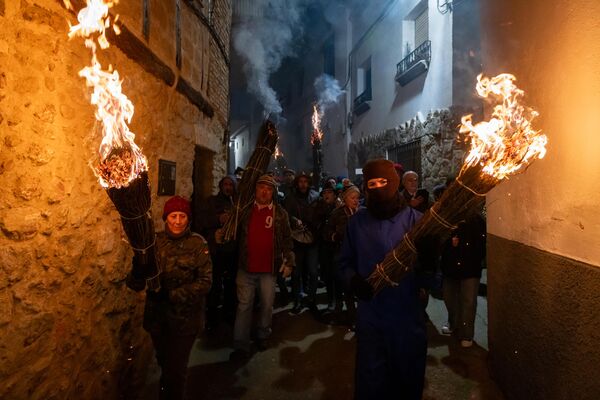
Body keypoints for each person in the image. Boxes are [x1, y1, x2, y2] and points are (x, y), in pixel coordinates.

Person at [340, 159, 428, 400]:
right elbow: (344, 264)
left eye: (383, 181)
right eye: (372, 183)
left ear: (395, 182)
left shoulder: (416, 221)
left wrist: (429, 264)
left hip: (406, 315)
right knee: (372, 380)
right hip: (372, 317)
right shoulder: (357, 223)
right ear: (366, 188)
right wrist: (355, 281)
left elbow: (429, 273)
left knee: (406, 378)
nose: (378, 187)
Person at [126, 196, 212, 400]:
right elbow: (134, 284)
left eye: (182, 216)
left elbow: (205, 282)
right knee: (165, 363)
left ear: (188, 219)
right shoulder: (153, 243)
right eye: (173, 216)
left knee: (176, 370)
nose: (178, 221)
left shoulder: (198, 244)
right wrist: (138, 271)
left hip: (186, 322)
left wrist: (173, 294)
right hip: (158, 319)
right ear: (166, 218)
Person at [224, 175, 295, 360]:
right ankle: (240, 345)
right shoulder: (245, 211)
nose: (264, 192)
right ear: (255, 190)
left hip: (268, 270)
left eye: (269, 189)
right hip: (246, 267)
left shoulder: (280, 214)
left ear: (273, 192)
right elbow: (231, 233)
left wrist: (289, 261)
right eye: (261, 187)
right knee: (244, 306)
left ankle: (263, 334)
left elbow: (287, 240)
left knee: (266, 305)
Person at [440, 211, 486, 348]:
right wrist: (450, 244)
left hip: (471, 267)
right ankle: (453, 323)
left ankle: (466, 334)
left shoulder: (477, 220)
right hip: (450, 266)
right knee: (450, 298)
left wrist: (472, 254)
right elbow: (439, 239)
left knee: (468, 301)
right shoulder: (448, 216)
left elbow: (482, 242)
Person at [198, 175, 238, 328]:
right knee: (214, 284)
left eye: (231, 185)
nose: (228, 187)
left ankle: (229, 313)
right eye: (226, 184)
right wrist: (218, 219)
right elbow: (202, 221)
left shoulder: (237, 204)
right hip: (216, 251)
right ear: (221, 186)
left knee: (230, 284)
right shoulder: (211, 202)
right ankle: (212, 316)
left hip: (232, 251)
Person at [284, 171, 320, 315]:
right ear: (297, 183)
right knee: (297, 273)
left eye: (305, 181)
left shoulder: (315, 197)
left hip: (312, 239)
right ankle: (297, 300)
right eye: (300, 181)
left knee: (313, 271)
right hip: (297, 240)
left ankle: (311, 299)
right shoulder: (290, 199)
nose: (303, 184)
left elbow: (321, 215)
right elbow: (286, 215)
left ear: (309, 183)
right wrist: (294, 220)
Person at [326, 184, 362, 323]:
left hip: (360, 254)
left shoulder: (362, 212)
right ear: (345, 199)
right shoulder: (337, 213)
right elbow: (327, 232)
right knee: (347, 285)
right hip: (342, 253)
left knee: (358, 285)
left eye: (357, 198)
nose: (355, 201)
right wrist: (335, 236)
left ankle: (361, 316)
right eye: (352, 198)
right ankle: (352, 317)